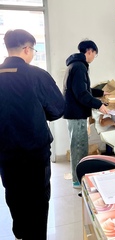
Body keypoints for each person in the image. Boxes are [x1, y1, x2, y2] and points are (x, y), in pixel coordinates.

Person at [0, 29, 65, 240]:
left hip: (5, 153)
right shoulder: (36, 75)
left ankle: (20, 231)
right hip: (35, 152)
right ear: (27, 49)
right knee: (38, 198)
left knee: (13, 192)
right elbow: (57, 109)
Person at [63, 39, 109, 188]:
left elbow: (84, 89)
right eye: (94, 54)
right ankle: (78, 180)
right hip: (76, 114)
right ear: (89, 51)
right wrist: (99, 105)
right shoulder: (79, 67)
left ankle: (78, 177)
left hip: (74, 113)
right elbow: (81, 94)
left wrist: (101, 93)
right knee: (79, 147)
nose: (94, 57)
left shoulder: (75, 64)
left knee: (79, 145)